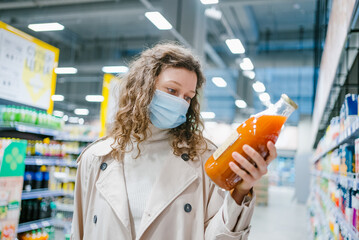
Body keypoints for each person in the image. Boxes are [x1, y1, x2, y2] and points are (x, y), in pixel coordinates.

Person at [71, 42, 277, 240]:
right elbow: (79, 232)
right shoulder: (95, 158)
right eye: (172, 90)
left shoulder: (205, 160)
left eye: (188, 97)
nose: (180, 102)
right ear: (143, 88)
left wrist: (240, 191)